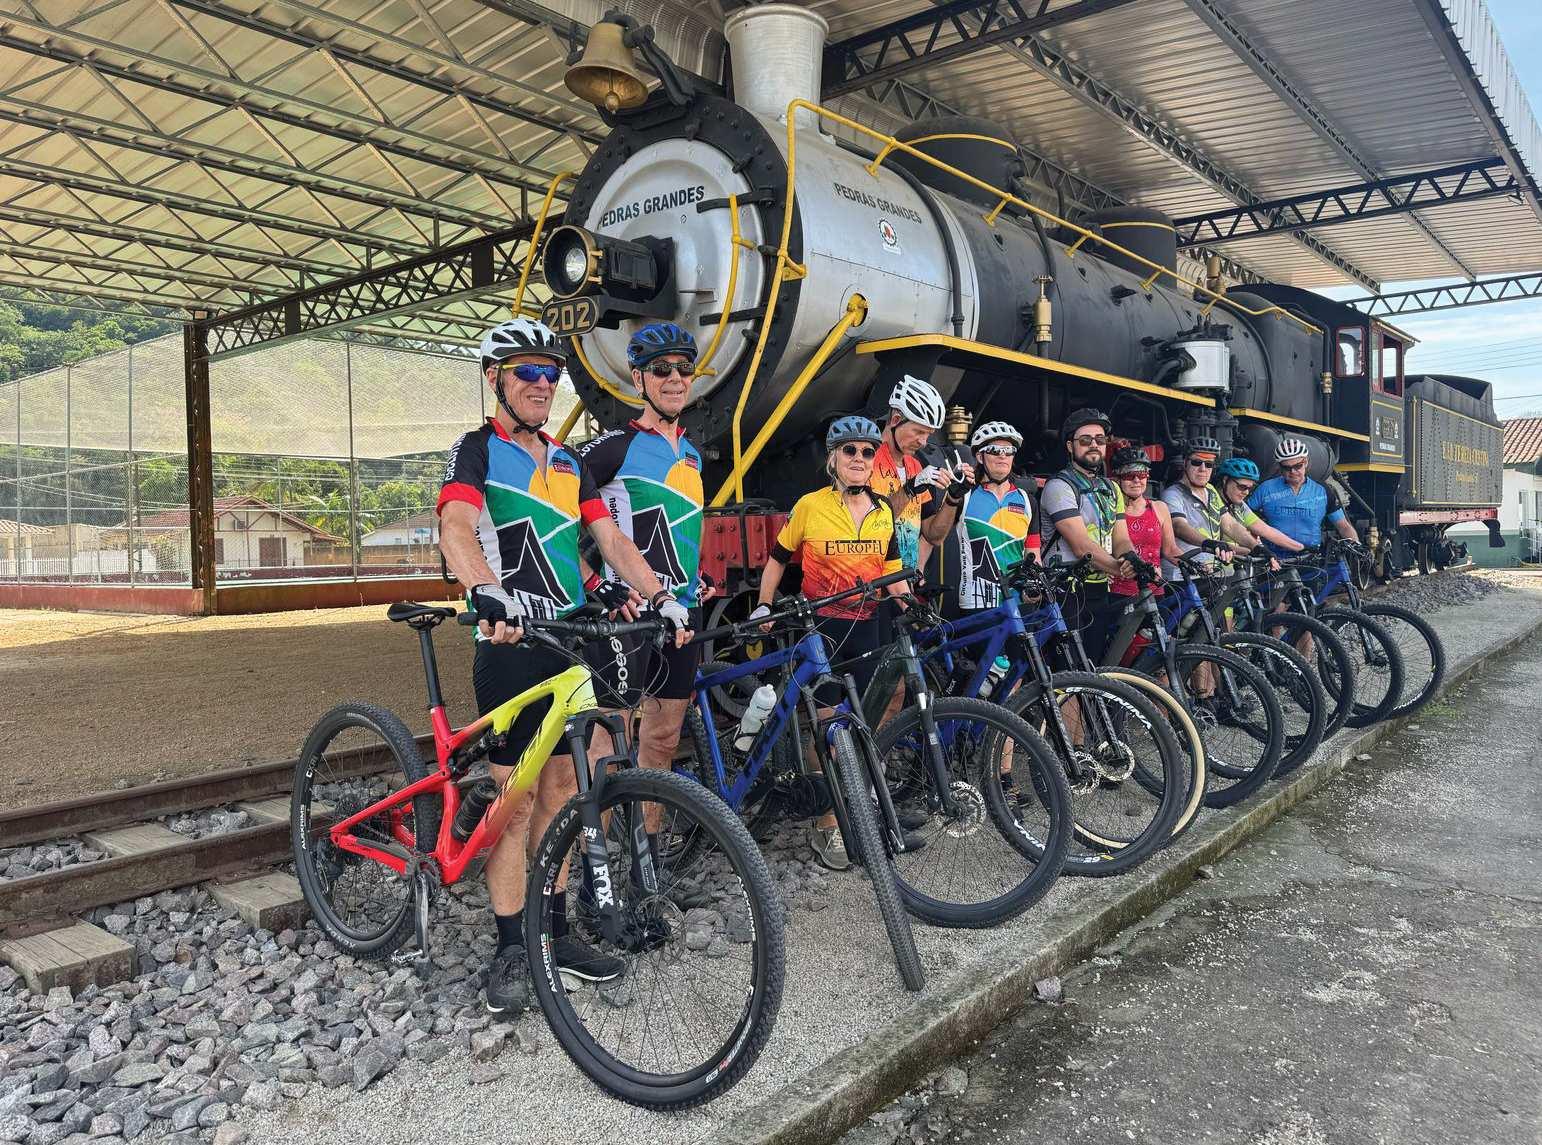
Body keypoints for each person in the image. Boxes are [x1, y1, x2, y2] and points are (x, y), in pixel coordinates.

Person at [437, 317, 692, 1016]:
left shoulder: (568, 461)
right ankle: (510, 945)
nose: (542, 384)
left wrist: (656, 595)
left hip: (568, 645)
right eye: (527, 372)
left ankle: (554, 931)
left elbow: (607, 539)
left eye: (551, 374)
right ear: (495, 379)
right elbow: (456, 527)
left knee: (564, 795)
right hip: (510, 646)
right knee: (515, 804)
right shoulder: (476, 451)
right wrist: (483, 589)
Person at [751, 415, 909, 870]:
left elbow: (891, 571)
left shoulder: (883, 510)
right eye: (849, 451)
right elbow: (777, 560)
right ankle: (827, 824)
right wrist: (763, 605)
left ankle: (859, 809)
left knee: (864, 725)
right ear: (833, 459)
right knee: (830, 730)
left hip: (869, 627)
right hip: (823, 630)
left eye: (867, 451)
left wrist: (910, 606)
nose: (859, 458)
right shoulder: (809, 506)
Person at [573, 321, 705, 793]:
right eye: (661, 369)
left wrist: (698, 575)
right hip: (628, 615)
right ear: (638, 378)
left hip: (682, 610)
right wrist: (590, 579)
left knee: (664, 738)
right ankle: (597, 838)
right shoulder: (614, 448)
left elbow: (681, 527)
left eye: (684, 369)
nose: (675, 378)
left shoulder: (692, 454)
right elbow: (553, 516)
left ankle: (647, 836)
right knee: (608, 744)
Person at [1040, 408, 1132, 663]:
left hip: (1098, 588)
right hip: (1066, 590)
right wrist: (1120, 568)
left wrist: (1131, 559)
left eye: (1100, 440)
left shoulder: (1111, 488)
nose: (1094, 445)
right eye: (1085, 440)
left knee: (1094, 664)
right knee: (1069, 671)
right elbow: (1081, 546)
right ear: (1070, 446)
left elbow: (1121, 538)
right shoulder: (1059, 486)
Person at [870, 375, 970, 571]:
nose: (923, 442)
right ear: (896, 420)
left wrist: (953, 499)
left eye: (928, 434)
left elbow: (933, 536)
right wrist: (910, 489)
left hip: (904, 582)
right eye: (918, 432)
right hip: (873, 578)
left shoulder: (915, 466)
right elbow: (870, 526)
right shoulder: (867, 459)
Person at [951, 419, 1038, 613]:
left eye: (1009, 451)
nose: (1003, 456)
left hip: (1018, 601)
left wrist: (1033, 585)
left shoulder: (1027, 500)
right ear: (980, 457)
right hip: (977, 602)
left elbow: (1033, 554)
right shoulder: (965, 496)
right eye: (995, 450)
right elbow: (933, 537)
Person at [1160, 436, 1264, 578]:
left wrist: (1256, 547)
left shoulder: (1210, 490)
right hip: (1181, 576)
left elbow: (1230, 525)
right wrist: (1209, 543)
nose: (1203, 469)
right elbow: (1179, 526)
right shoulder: (1172, 494)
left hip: (1209, 575)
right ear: (1185, 463)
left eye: (1209, 464)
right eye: (1196, 462)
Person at [1247, 437, 1359, 554]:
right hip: (1275, 558)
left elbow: (1343, 526)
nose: (1293, 471)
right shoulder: (1265, 488)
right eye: (1286, 468)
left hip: (1311, 557)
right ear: (1279, 466)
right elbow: (1242, 518)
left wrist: (1356, 546)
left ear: (1305, 462)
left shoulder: (1322, 490)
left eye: (1297, 466)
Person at [1109, 447, 1183, 599]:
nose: (1137, 480)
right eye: (1129, 475)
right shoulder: (1109, 510)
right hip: (1119, 592)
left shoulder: (1159, 508)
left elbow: (1170, 549)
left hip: (1155, 590)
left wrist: (1192, 563)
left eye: (1142, 474)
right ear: (1117, 478)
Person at [1214, 457, 1304, 557]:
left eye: (1250, 488)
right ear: (1225, 480)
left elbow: (1266, 530)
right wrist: (1256, 551)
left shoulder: (1239, 505)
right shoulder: (1212, 500)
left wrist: (1301, 548)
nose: (1246, 492)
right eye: (1242, 487)